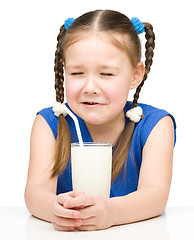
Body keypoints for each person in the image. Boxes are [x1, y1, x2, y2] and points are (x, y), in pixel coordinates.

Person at [24, 9, 176, 231]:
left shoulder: (155, 125)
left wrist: (111, 212)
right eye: (77, 73)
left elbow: (155, 194)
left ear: (135, 75)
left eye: (106, 74)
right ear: (64, 70)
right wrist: (53, 209)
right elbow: (35, 191)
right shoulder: (50, 123)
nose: (90, 88)